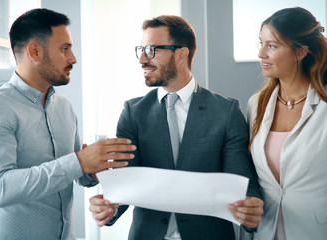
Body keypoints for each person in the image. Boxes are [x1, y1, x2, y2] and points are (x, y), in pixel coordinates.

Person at [89, 15, 263, 240]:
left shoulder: (226, 112)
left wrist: (250, 208)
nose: (142, 59)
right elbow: (126, 180)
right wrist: (109, 207)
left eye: (151, 50)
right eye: (140, 49)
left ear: (182, 54)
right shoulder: (133, 113)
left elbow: (242, 183)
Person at [0, 8, 135, 240]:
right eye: (65, 49)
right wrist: (78, 161)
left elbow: (78, 174)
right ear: (34, 51)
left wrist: (96, 166)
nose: (73, 58)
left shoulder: (64, 107)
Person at [247, 7, 327, 240]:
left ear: (300, 52)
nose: (261, 54)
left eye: (272, 46)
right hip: (265, 232)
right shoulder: (256, 104)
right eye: (260, 43)